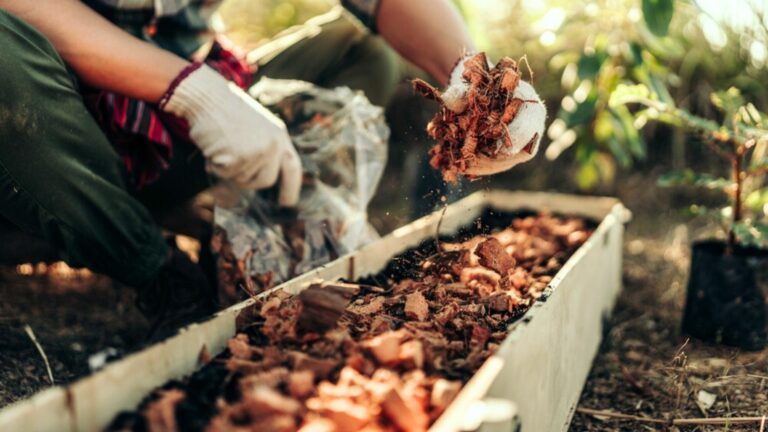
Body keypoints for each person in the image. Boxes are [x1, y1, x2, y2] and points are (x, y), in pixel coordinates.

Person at [0, 0, 543, 335]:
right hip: (43, 148)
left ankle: (264, 237)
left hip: (165, 139)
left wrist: (473, 79)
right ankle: (156, 269)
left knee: (363, 49)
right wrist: (192, 94)